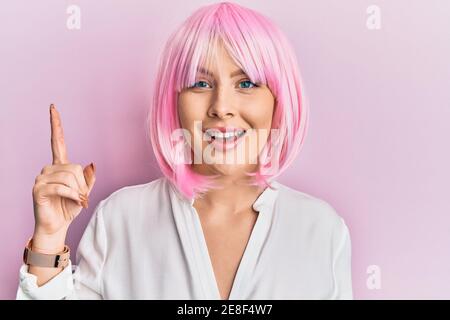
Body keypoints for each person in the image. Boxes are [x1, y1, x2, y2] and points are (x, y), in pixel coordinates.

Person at [16, 2, 353, 300]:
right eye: (200, 84)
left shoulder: (321, 230)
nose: (221, 107)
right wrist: (48, 237)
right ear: (173, 102)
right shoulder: (120, 219)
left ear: (279, 101)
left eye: (246, 83)